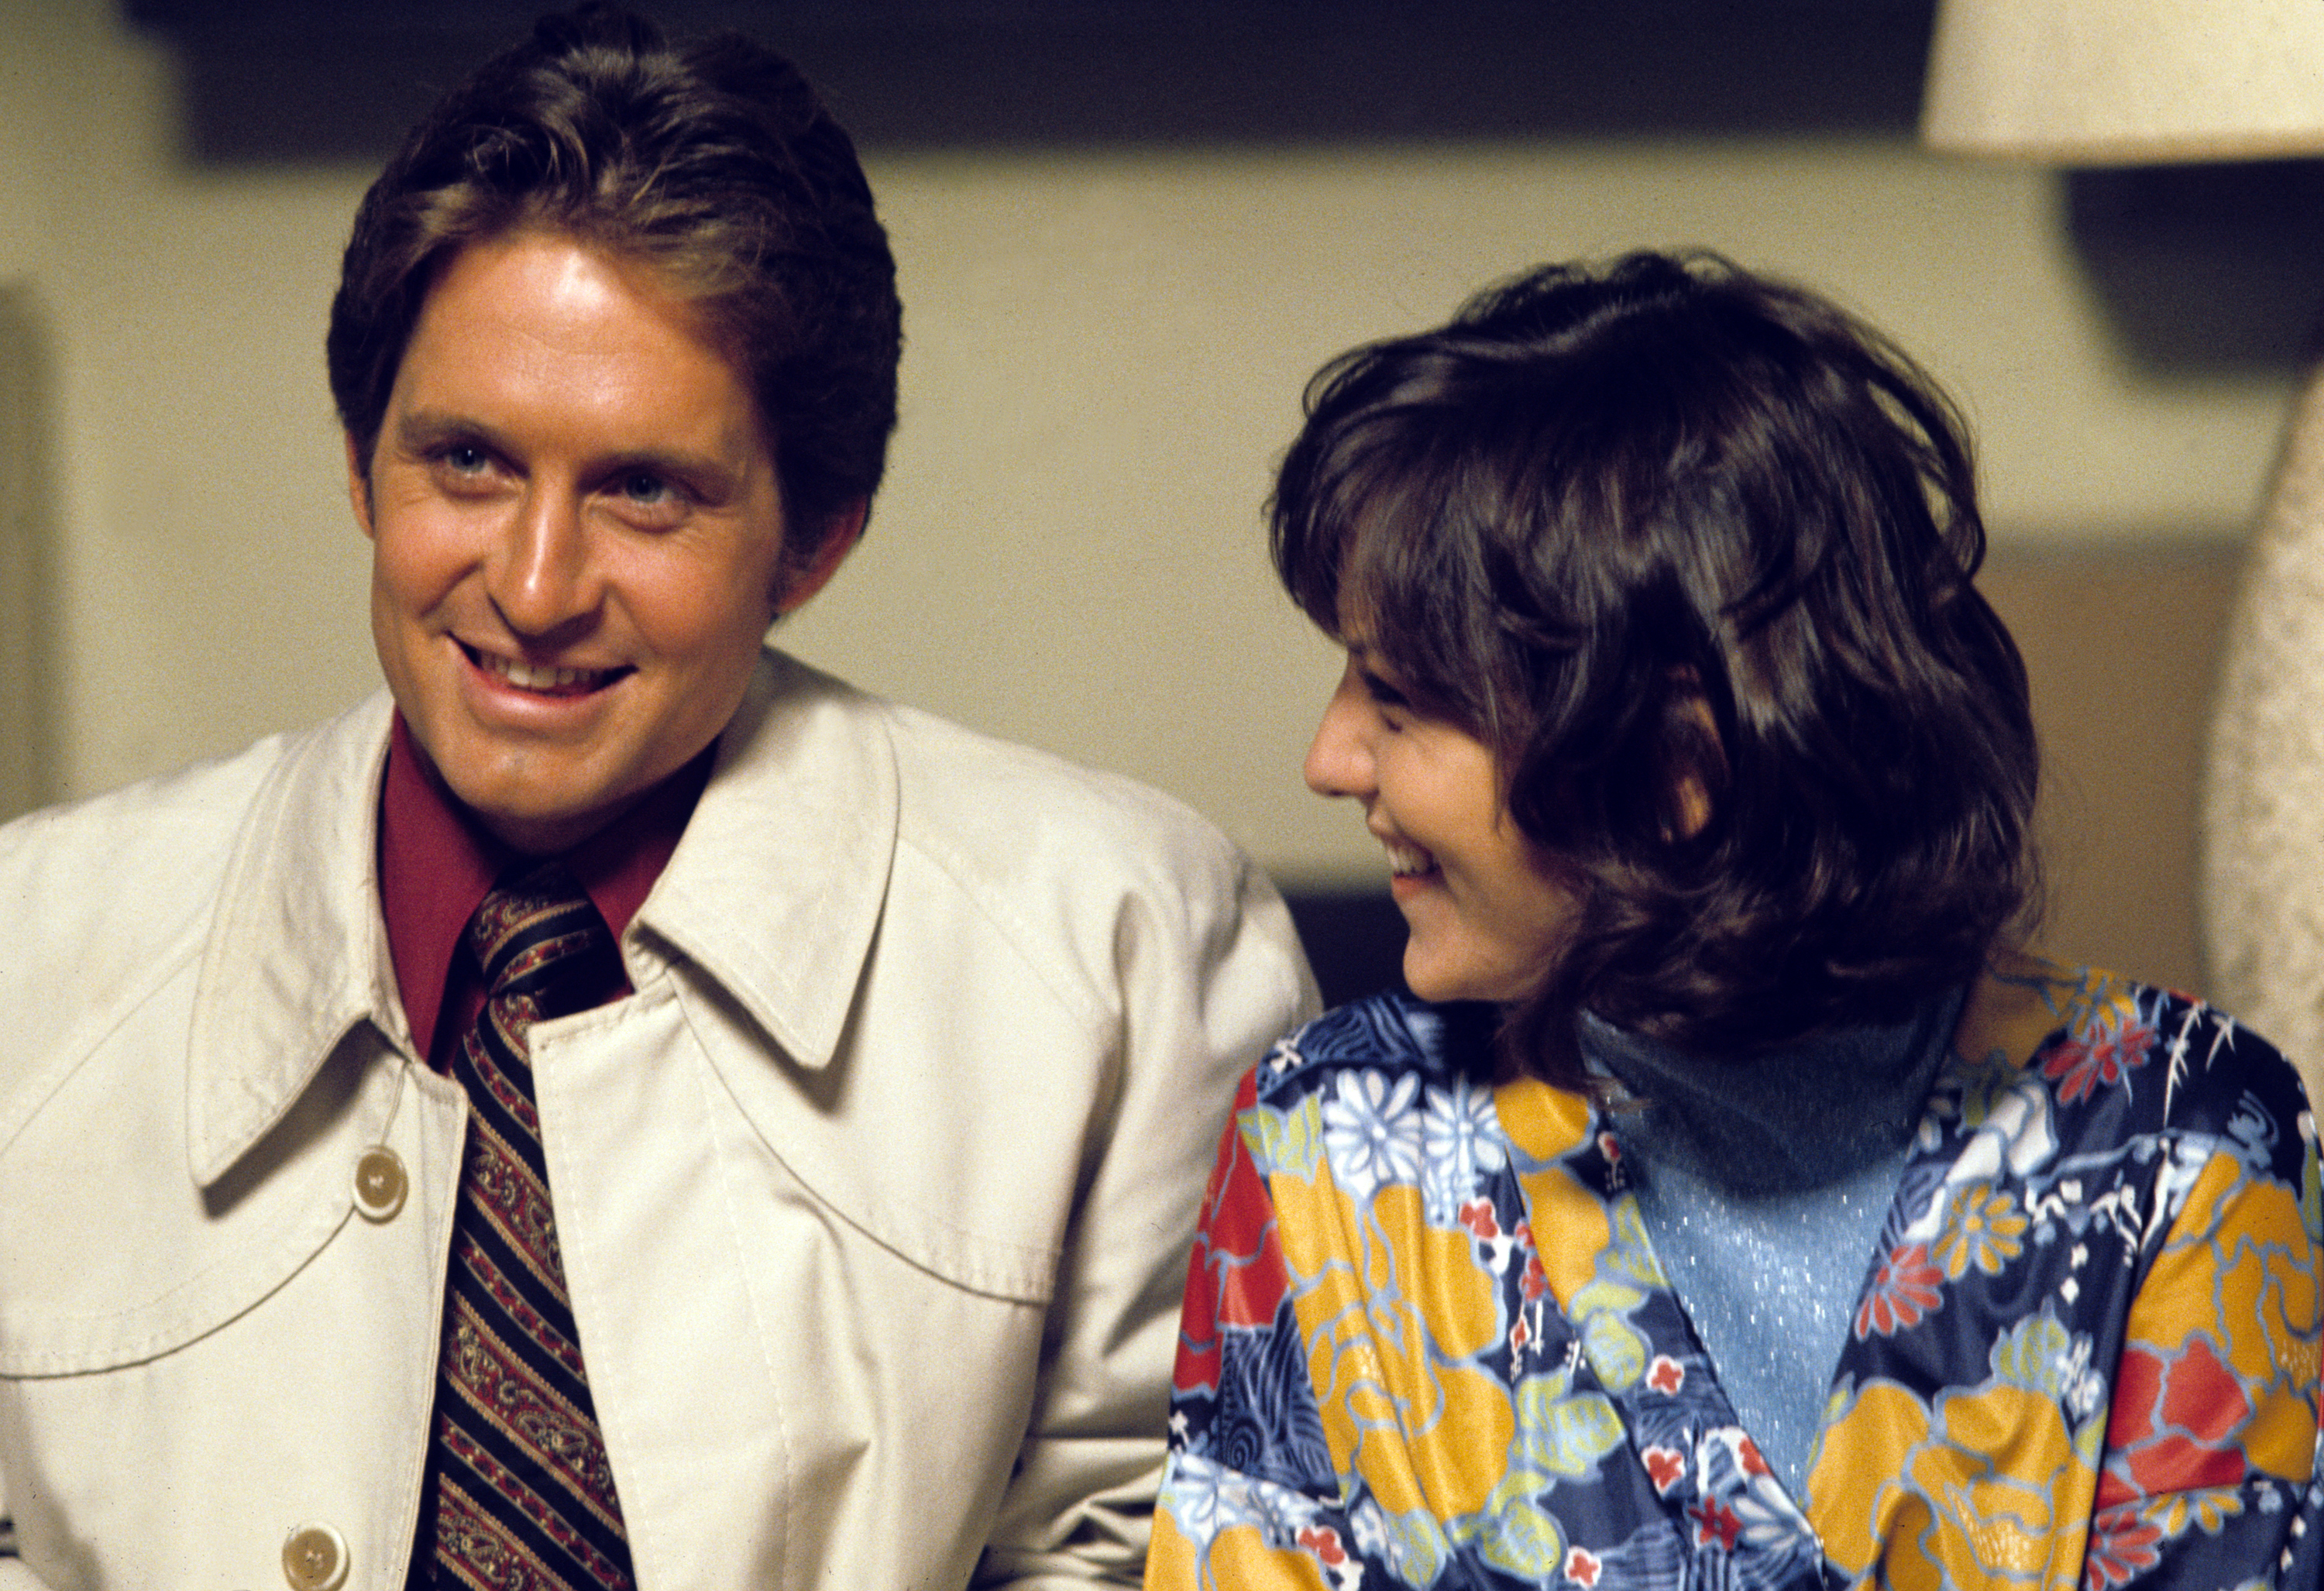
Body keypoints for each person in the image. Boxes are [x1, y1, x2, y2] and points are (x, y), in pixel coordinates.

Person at [0, 9, 1315, 1588]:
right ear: (362, 466)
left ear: (813, 540)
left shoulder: (1128, 943)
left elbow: (1161, 1552)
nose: (536, 586)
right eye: (467, 462)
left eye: (646, 489)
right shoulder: (31, 947)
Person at [1148, 252, 2323, 1590]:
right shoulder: (1331, 1154)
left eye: (1403, 697)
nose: (1331, 756)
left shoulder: (2177, 1147)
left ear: (1682, 760)